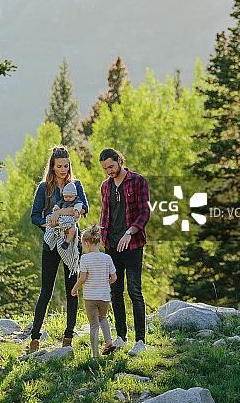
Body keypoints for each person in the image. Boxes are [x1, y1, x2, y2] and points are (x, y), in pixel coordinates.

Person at [29, 145, 89, 353]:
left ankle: (68, 336)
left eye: (66, 165)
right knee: (46, 290)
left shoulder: (76, 185)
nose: (63, 170)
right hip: (51, 243)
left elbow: (85, 208)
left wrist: (61, 213)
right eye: (59, 166)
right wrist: (51, 223)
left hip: (72, 244)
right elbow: (35, 216)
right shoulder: (44, 188)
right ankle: (35, 336)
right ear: (52, 167)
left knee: (72, 289)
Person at [99, 147, 150, 356]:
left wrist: (130, 231)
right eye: (105, 168)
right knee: (116, 292)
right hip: (111, 247)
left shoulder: (138, 181)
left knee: (134, 291)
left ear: (120, 161)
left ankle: (140, 340)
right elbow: (105, 214)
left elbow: (145, 211)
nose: (109, 171)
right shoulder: (105, 186)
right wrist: (101, 239)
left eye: (111, 166)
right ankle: (121, 337)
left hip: (133, 245)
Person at [71, 223, 117, 359]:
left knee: (93, 326)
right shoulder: (107, 258)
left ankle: (95, 355)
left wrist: (74, 288)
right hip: (104, 296)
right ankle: (109, 342)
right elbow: (114, 277)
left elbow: (83, 278)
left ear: (86, 243)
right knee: (103, 318)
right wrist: (105, 283)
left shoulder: (85, 258)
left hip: (91, 297)